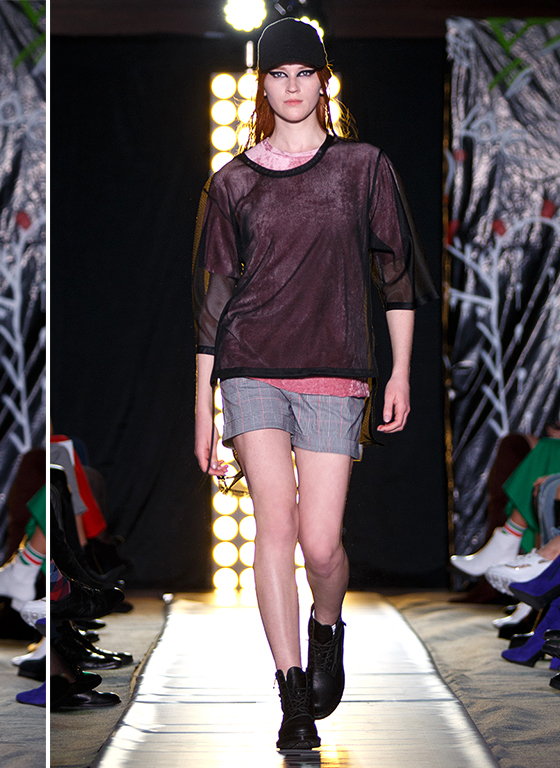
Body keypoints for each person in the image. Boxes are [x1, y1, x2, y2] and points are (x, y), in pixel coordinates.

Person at [192, 19, 436, 751]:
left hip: (336, 365)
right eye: (278, 74)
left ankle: (325, 628)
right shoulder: (232, 182)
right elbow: (212, 305)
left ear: (324, 81)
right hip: (250, 366)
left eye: (304, 73)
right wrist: (202, 408)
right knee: (275, 529)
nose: (292, 86)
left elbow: (397, 275)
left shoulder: (363, 167)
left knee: (322, 544)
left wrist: (400, 371)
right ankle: (292, 695)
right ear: (261, 85)